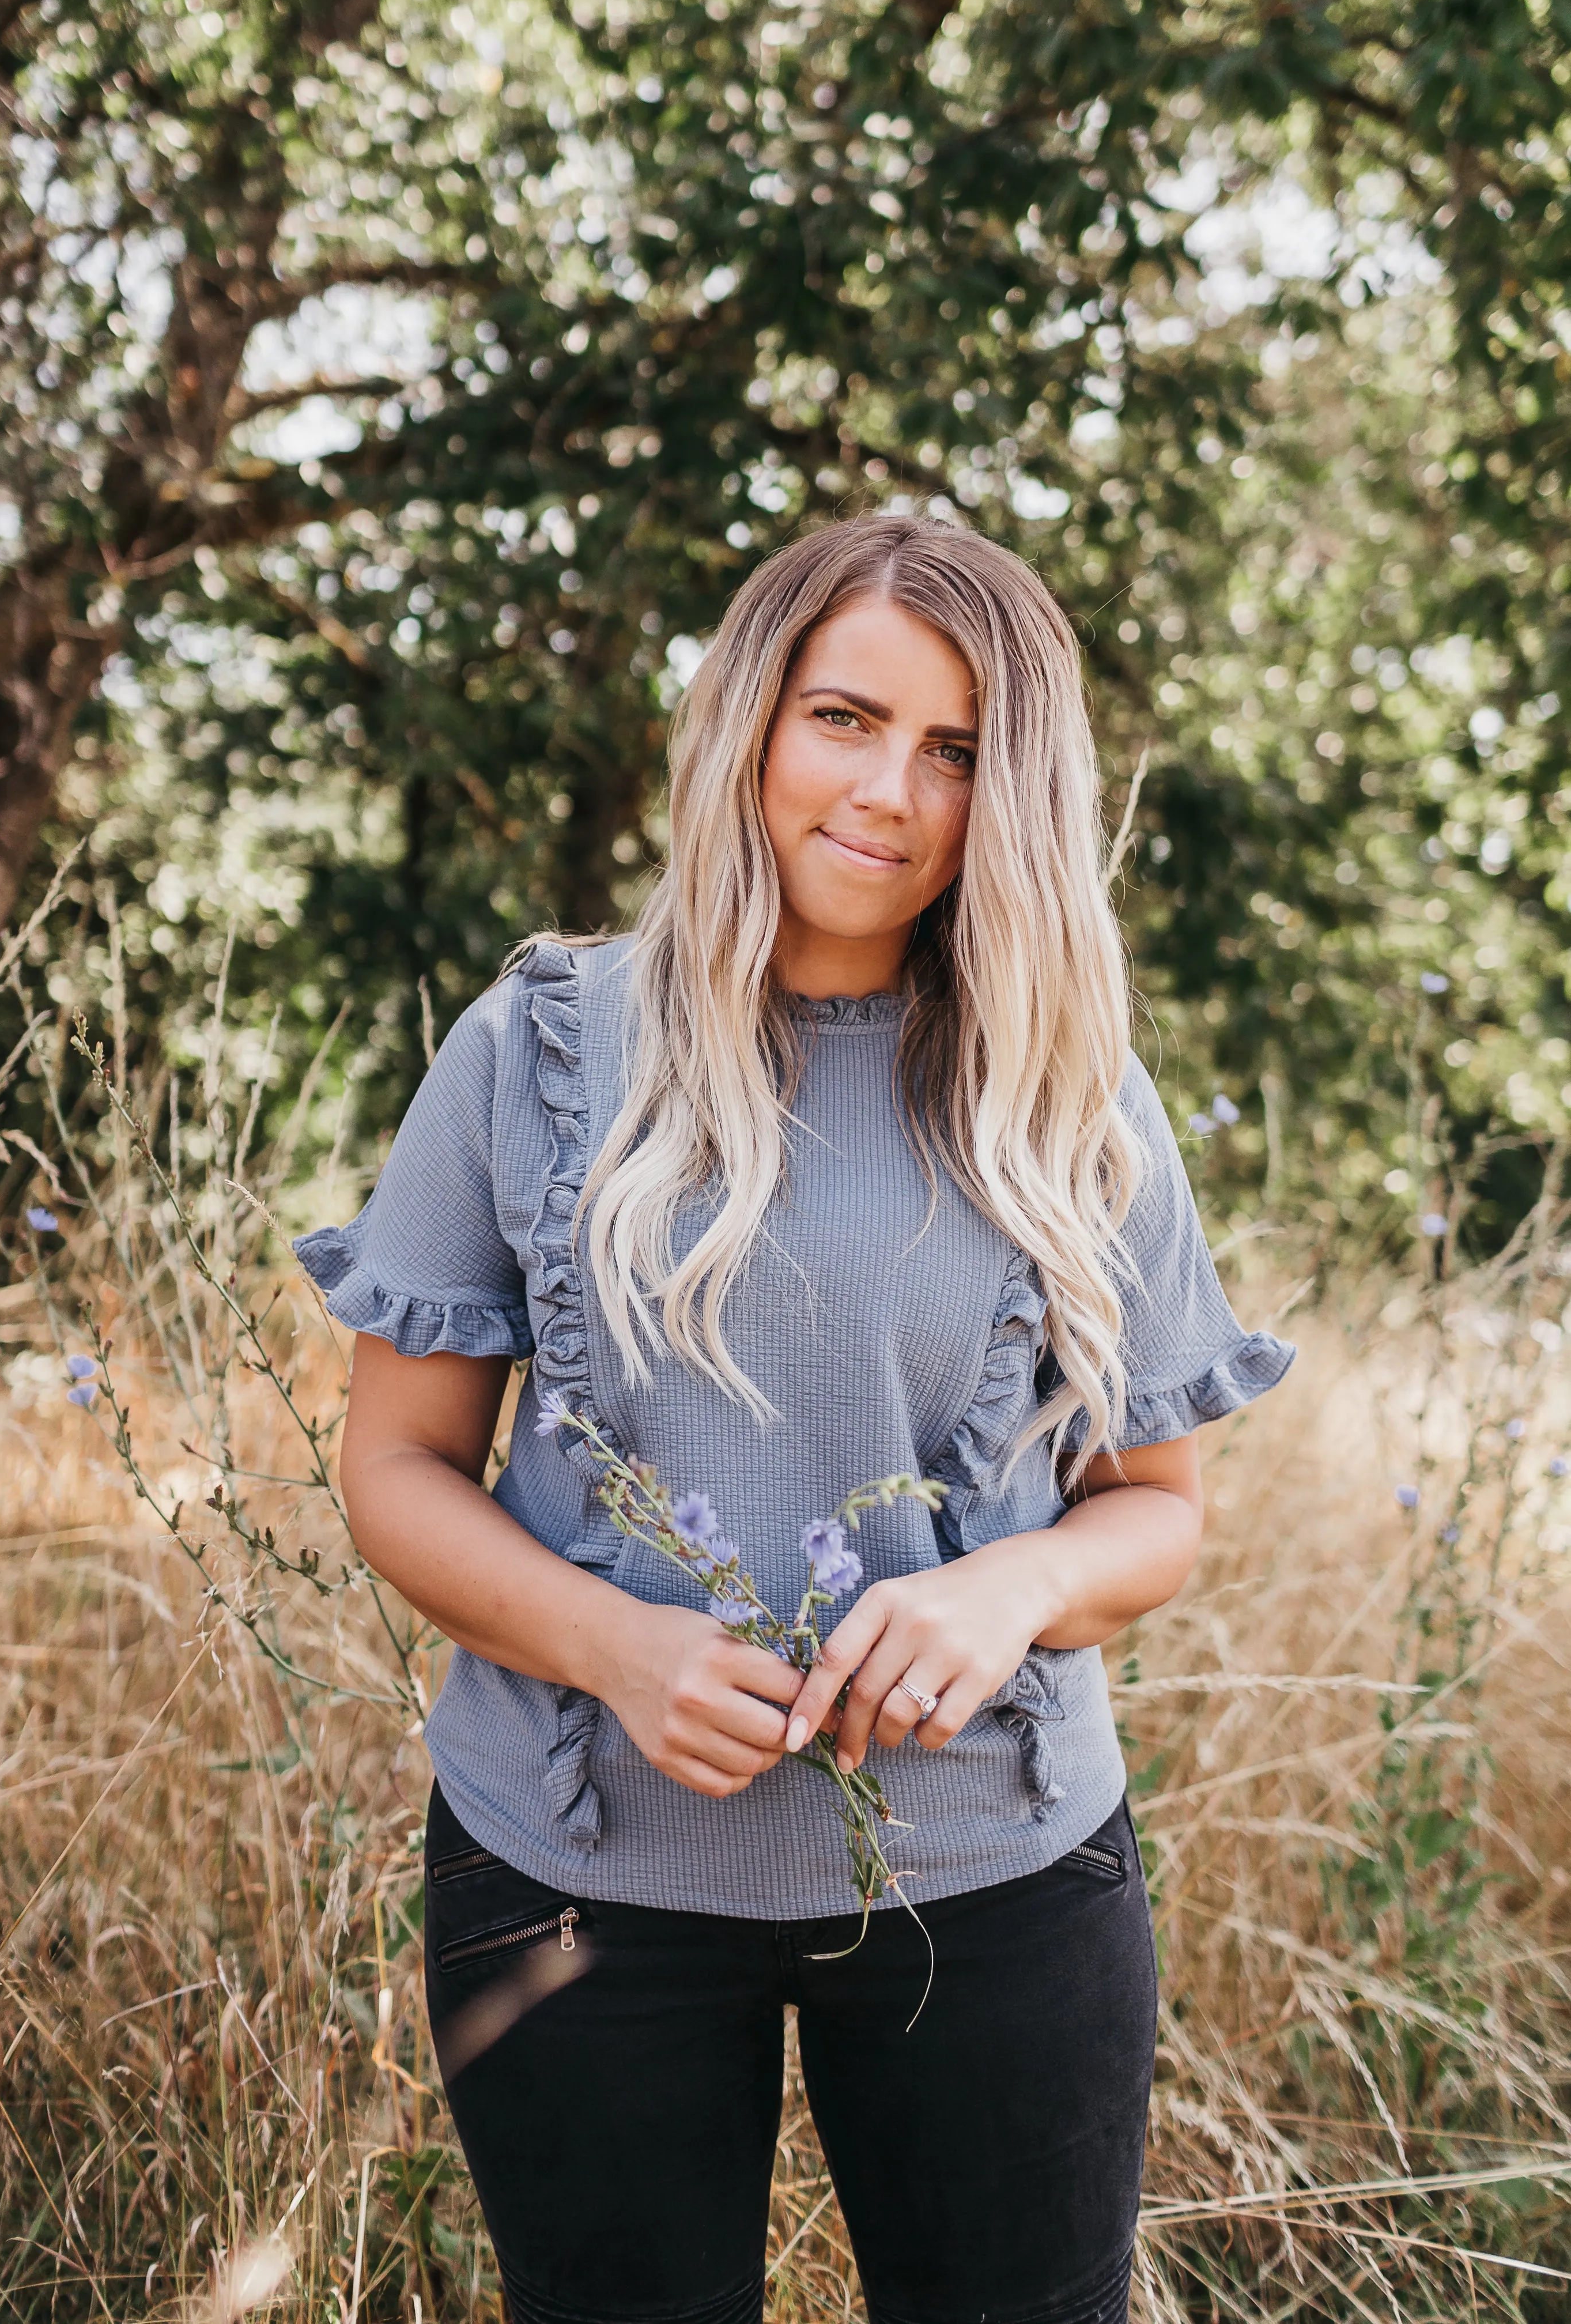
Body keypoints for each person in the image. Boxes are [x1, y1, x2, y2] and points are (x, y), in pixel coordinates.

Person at [296, 515, 1294, 2324]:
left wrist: (1006, 1594)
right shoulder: (539, 1050)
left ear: (1023, 790)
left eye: (961, 749)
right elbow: (393, 1467)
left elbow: (1155, 1502)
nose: (890, 791)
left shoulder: (1068, 1079)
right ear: (752, 720)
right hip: (579, 1876)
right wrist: (614, 1646)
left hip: (995, 1881)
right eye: (846, 716)